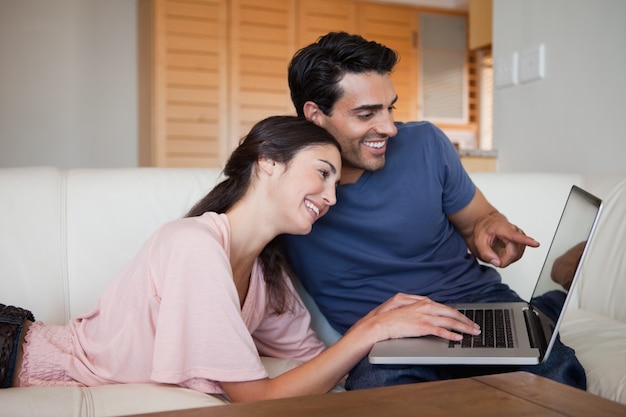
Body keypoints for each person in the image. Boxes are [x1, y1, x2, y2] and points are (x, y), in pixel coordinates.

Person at [0, 115, 480, 401]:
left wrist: (392, 330)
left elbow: (316, 366)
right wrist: (372, 329)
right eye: (322, 173)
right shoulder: (194, 244)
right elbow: (256, 399)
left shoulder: (269, 274)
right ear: (268, 160)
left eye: (337, 182)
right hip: (17, 353)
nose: (331, 196)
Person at [282, 32, 587, 390]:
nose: (389, 128)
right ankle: (545, 307)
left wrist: (490, 227)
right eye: (366, 114)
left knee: (558, 378)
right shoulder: (281, 186)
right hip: (386, 331)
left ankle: (538, 312)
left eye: (390, 108)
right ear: (315, 115)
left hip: (475, 303)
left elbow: (477, 221)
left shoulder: (425, 142)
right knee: (378, 394)